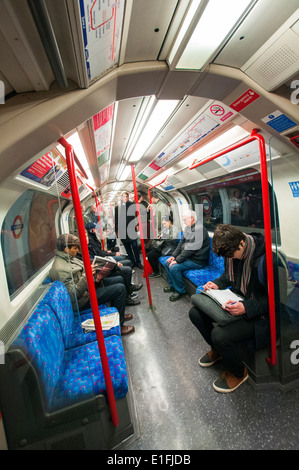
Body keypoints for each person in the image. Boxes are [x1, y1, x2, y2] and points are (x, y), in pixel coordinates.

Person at [189, 224, 269, 393]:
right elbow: (228, 276)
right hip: (237, 299)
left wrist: (246, 307)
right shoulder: (231, 253)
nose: (230, 259)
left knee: (220, 335)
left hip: (260, 313)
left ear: (241, 244)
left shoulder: (266, 260)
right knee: (195, 313)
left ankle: (239, 373)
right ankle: (218, 351)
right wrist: (216, 284)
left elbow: (275, 301)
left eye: (232, 255)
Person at [49, 234, 135, 335]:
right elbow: (72, 295)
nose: (77, 251)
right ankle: (119, 326)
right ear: (66, 249)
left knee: (119, 280)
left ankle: (118, 314)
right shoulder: (61, 269)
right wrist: (87, 275)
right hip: (83, 300)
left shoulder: (69, 258)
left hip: (88, 288)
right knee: (119, 289)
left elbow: (83, 268)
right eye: (75, 248)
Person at [85, 223, 143, 305]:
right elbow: (98, 255)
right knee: (125, 268)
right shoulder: (89, 244)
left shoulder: (91, 242)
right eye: (85, 237)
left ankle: (129, 290)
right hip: (99, 271)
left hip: (102, 263)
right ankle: (129, 290)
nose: (86, 238)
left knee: (126, 262)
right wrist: (112, 256)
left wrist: (109, 254)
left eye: (86, 236)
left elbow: (99, 253)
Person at [164, 210, 210, 301]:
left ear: (192, 218)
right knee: (167, 262)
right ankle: (172, 286)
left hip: (198, 260)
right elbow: (181, 244)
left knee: (174, 267)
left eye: (185, 220)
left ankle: (180, 291)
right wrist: (174, 256)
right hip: (189, 257)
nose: (184, 222)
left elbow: (191, 249)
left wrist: (177, 260)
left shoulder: (199, 230)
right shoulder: (188, 228)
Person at [115, 191, 143, 269]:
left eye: (126, 196)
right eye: (123, 197)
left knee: (135, 246)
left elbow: (137, 215)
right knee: (128, 248)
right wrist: (117, 231)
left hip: (131, 229)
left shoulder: (132, 205)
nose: (124, 198)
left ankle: (138, 262)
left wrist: (137, 224)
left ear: (127, 197)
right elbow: (116, 220)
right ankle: (132, 262)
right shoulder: (118, 208)